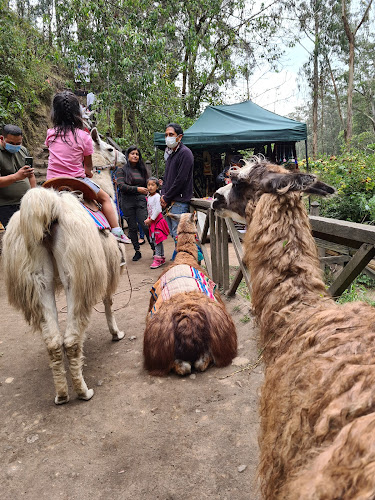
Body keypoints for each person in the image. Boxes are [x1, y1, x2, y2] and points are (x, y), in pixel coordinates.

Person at [45, 90, 130, 243]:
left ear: (55, 113)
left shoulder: (50, 134)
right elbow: (88, 168)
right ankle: (117, 231)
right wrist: (89, 173)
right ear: (78, 113)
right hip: (76, 181)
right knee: (105, 199)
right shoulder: (84, 136)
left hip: (52, 182)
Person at [160, 123, 194, 260]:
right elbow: (166, 178)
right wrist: (163, 194)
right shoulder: (170, 155)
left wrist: (166, 197)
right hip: (170, 201)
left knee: (180, 236)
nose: (168, 138)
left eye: (171, 135)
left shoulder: (185, 153)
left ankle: (187, 260)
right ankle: (182, 260)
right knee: (176, 236)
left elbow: (181, 180)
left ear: (179, 137)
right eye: (166, 135)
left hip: (179, 202)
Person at [115, 145, 153, 261]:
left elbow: (148, 184)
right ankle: (137, 251)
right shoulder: (121, 170)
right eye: (132, 153)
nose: (135, 156)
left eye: (137, 154)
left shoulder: (142, 170)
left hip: (140, 200)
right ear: (127, 155)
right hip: (127, 201)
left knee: (145, 224)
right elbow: (121, 186)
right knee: (132, 228)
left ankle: (155, 249)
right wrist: (137, 189)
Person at [0, 124, 36, 227]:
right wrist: (16, 176)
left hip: (26, 201)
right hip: (6, 204)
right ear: (2, 138)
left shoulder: (23, 150)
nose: (15, 146)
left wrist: (34, 194)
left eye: (18, 143)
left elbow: (31, 174)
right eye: (11, 143)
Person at [144, 177, 169, 269]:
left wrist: (151, 219)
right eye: (149, 185)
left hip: (157, 222)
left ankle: (157, 259)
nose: (150, 187)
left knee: (157, 240)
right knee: (157, 240)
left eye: (153, 185)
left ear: (157, 187)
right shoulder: (149, 197)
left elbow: (158, 209)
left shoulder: (157, 196)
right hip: (153, 221)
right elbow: (151, 210)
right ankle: (161, 257)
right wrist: (148, 218)